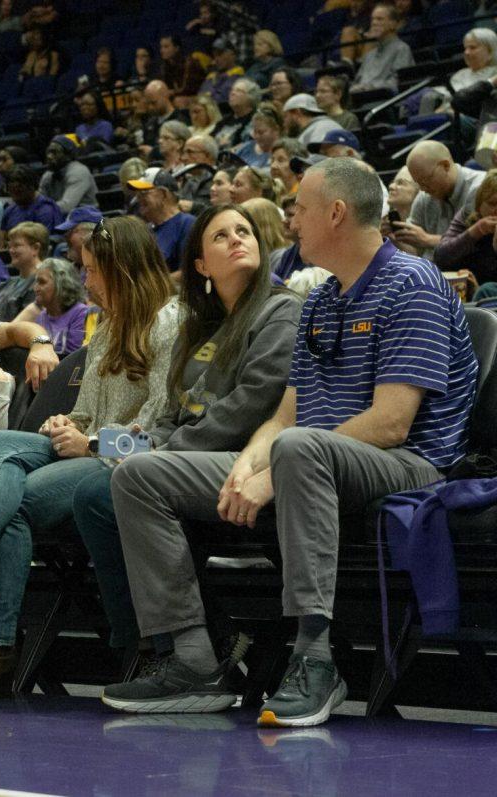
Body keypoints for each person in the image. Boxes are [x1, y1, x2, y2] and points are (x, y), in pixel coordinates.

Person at [103, 158, 478, 726]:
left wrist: (275, 468)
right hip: (308, 455)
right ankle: (197, 661)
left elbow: (391, 423)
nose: (289, 218)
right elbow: (284, 414)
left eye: (299, 208)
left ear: (335, 213)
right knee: (140, 475)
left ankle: (316, 660)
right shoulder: (323, 300)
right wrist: (250, 463)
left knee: (299, 449)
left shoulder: (413, 283)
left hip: (406, 464)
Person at [0, 216, 180, 700]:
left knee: (9, 501)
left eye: (94, 271)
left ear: (124, 269)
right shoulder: (110, 324)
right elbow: (84, 412)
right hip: (85, 451)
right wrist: (66, 425)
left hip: (127, 465)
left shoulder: (171, 323)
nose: (88, 282)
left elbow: (164, 436)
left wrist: (92, 443)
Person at [69, 202, 301, 671]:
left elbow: (252, 404)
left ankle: (152, 648)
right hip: (147, 452)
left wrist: (109, 445)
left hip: (237, 458)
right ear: (200, 264)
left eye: (244, 231)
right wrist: (77, 431)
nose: (237, 238)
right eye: (221, 236)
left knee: (94, 490)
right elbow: (168, 412)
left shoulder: (276, 310)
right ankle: (177, 641)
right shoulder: (189, 326)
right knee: (11, 453)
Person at [397, 141, 487, 255]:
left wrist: (427, 240)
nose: (423, 189)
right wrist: (396, 238)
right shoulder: (424, 197)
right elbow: (414, 252)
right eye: (418, 183)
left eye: (425, 180)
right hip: (433, 269)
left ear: (446, 165)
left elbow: (480, 246)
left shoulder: (481, 189)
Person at [128, 167, 197, 276]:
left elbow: (189, 272)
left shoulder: (187, 224)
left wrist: (151, 287)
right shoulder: (146, 230)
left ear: (164, 194)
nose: (138, 198)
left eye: (144, 192)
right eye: (137, 194)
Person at [435, 169, 497, 288]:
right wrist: (475, 232)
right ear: (479, 205)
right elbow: (441, 257)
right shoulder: (468, 215)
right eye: (492, 203)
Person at [13, 257, 87, 356]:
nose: (36, 288)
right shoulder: (41, 316)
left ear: (62, 284)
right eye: (36, 282)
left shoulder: (81, 313)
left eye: (42, 282)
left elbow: (74, 356)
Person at [351, 3, 413, 95]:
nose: (374, 23)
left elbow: (398, 82)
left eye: (379, 19)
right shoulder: (369, 55)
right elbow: (357, 82)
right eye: (372, 19)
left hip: (385, 102)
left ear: (393, 24)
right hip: (362, 101)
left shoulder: (402, 49)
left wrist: (370, 87)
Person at [39, 135, 96, 215]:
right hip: (61, 219)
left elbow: (67, 207)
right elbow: (39, 203)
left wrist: (38, 211)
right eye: (48, 152)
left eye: (54, 152)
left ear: (68, 156)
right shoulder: (47, 175)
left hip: (86, 219)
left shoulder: (78, 171)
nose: (49, 157)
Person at [1, 165, 64, 233]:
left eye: (19, 191)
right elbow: (2, 237)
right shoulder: (10, 210)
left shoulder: (46, 210)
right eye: (11, 190)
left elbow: (43, 241)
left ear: (32, 187)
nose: (14, 196)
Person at [214, 79, 260, 149]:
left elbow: (249, 144)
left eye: (238, 91)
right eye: (232, 90)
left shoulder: (256, 119)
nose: (232, 93)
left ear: (251, 96)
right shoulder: (224, 120)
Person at [199, 38, 245, 104]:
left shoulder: (238, 77)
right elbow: (200, 98)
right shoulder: (211, 77)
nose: (216, 59)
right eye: (214, 55)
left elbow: (221, 100)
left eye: (220, 54)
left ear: (232, 54)